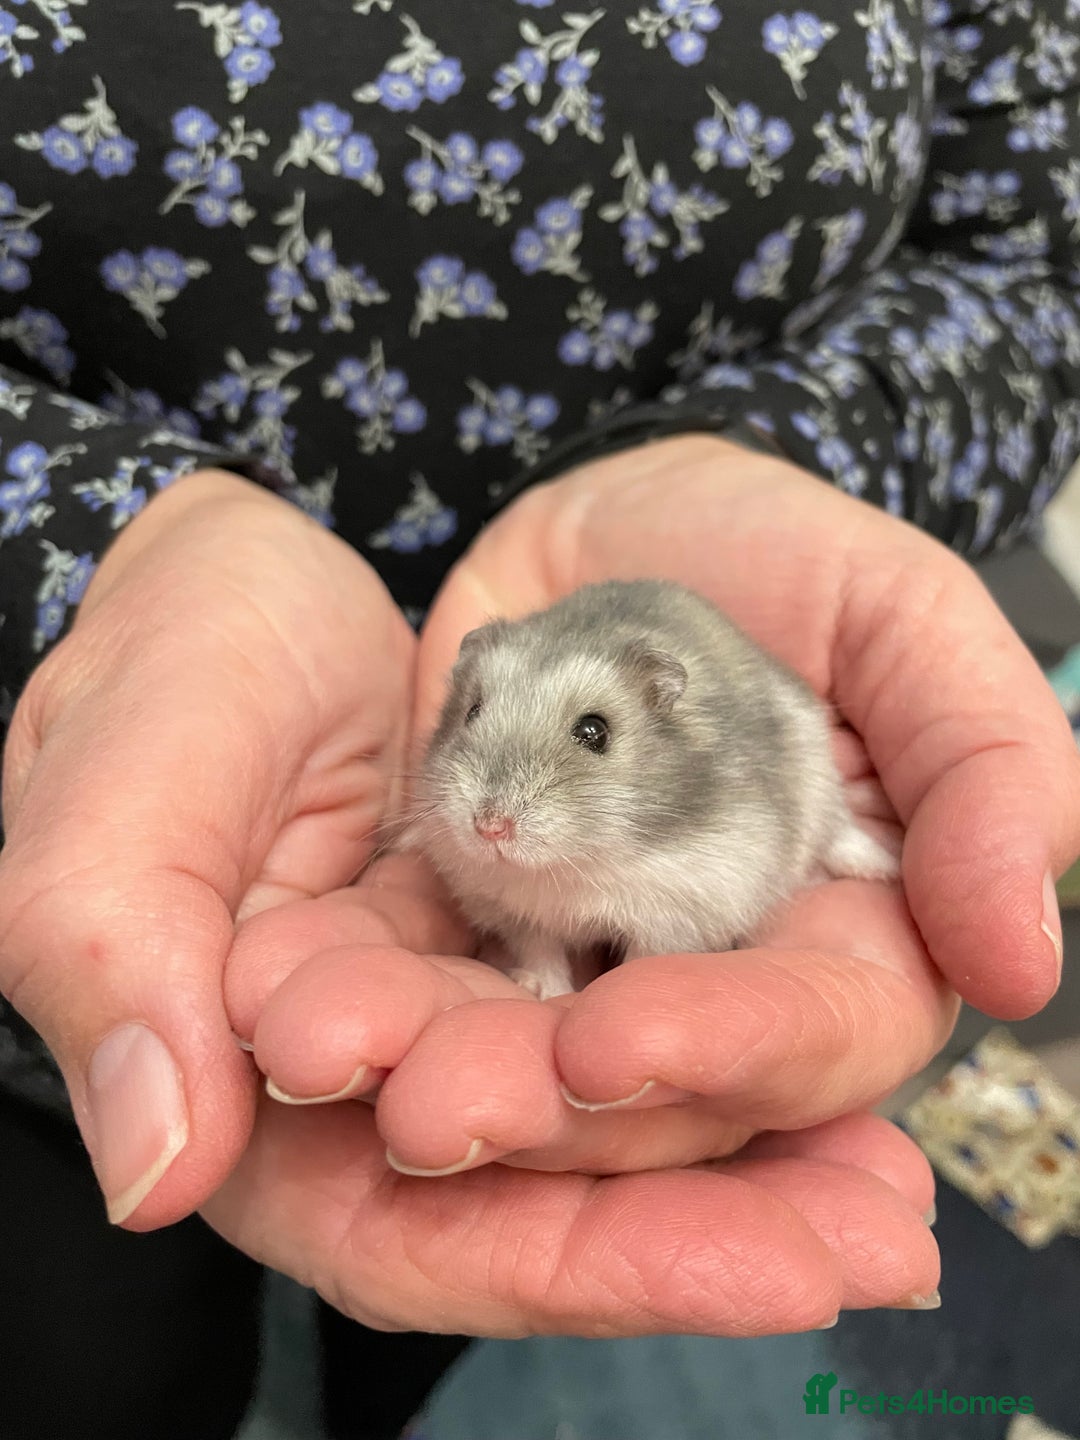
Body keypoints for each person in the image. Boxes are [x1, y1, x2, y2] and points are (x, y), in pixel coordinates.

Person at [1, 1, 1078, 1436]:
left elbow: (1034, 276)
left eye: (582, 742)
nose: (493, 809)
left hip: (681, 594)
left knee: (463, 1258)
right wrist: (100, 539)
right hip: (90, 839)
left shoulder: (724, 771)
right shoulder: (463, 803)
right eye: (475, 737)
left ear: (665, 721)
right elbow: (481, 827)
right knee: (94, 1363)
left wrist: (781, 455)